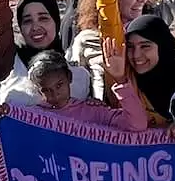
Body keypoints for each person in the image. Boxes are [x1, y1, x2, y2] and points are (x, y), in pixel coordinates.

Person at [13, 47, 148, 131]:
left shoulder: (92, 111)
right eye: (46, 90)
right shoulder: (33, 118)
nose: (55, 94)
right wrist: (3, 116)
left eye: (59, 85)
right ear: (38, 90)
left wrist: (121, 81)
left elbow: (138, 124)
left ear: (69, 77)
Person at [0, 0, 64, 106]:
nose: (35, 27)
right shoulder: (10, 63)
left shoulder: (73, 63)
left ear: (56, 20)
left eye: (43, 18)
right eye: (27, 21)